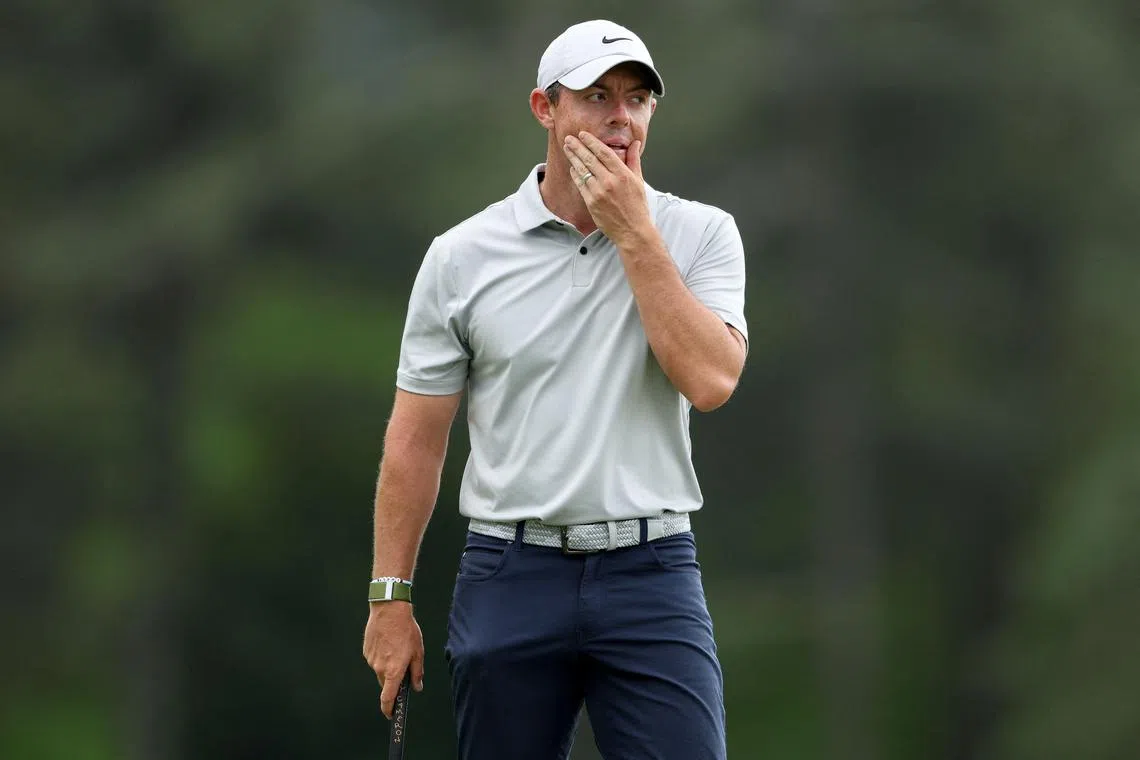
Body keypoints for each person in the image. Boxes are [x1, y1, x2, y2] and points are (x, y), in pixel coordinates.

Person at [362, 18, 748, 760]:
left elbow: (709, 380)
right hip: (511, 572)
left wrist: (634, 234)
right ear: (546, 108)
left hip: (652, 571)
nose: (620, 118)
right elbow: (415, 442)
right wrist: (390, 598)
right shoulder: (462, 257)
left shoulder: (700, 234)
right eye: (596, 96)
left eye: (636, 99)